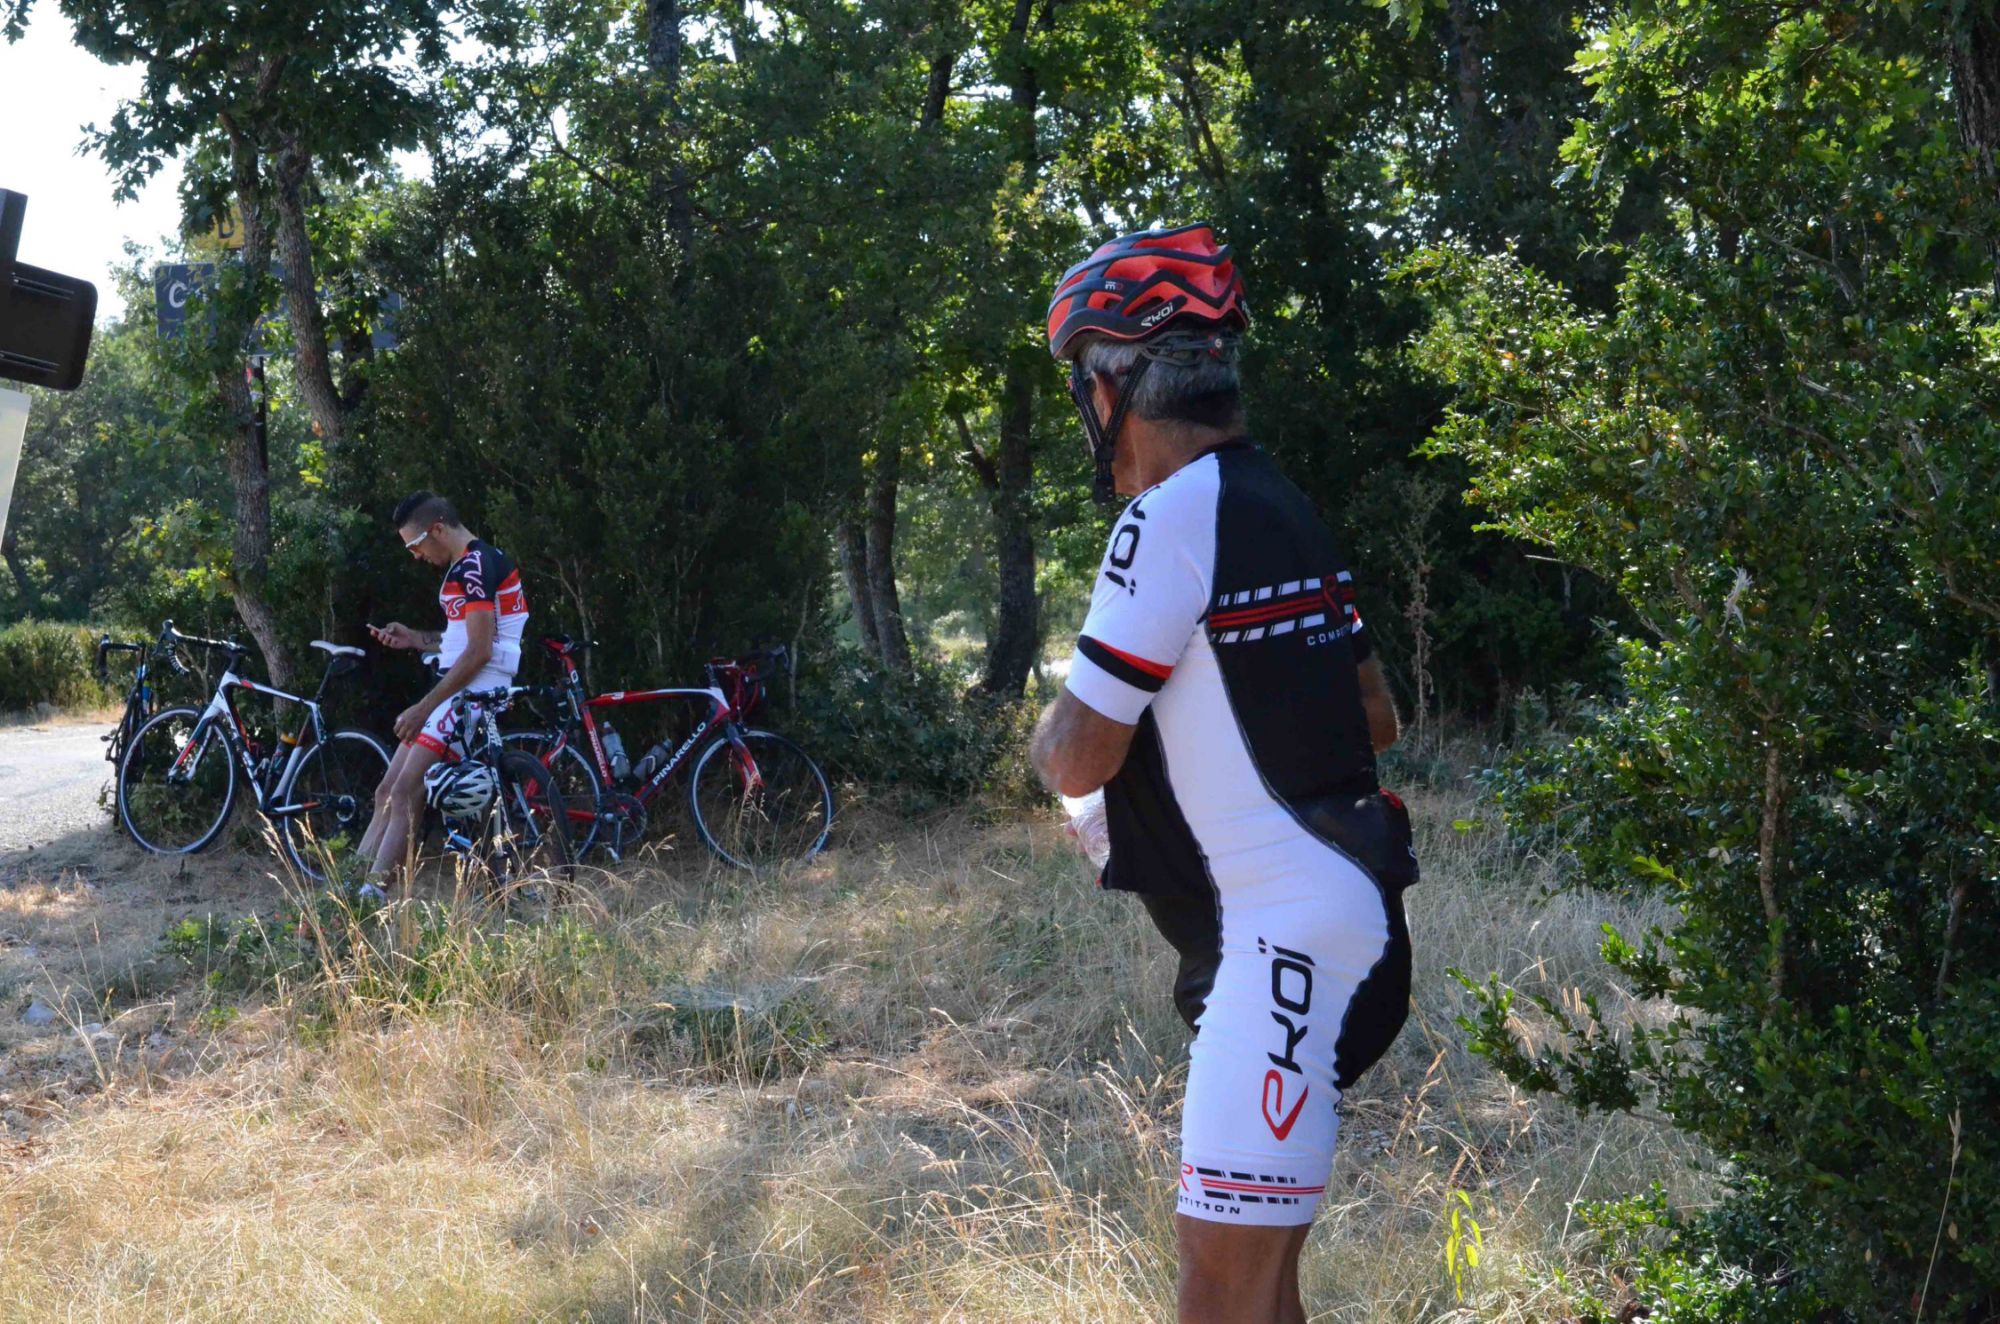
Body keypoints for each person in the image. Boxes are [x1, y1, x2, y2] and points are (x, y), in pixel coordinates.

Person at [1029, 224, 1414, 1324]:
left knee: (1218, 1294)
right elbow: (1378, 716)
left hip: (1278, 944)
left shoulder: (1166, 516)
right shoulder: (1280, 502)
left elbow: (1077, 752)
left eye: (1080, 386)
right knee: (1261, 1291)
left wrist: (1055, 743)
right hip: (1345, 911)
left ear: (1109, 389)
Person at [353, 491, 530, 895]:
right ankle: (346, 889)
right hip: (458, 685)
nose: (415, 556)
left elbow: (480, 651)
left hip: (472, 689)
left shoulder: (474, 565)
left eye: (414, 546)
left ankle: (368, 899)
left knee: (405, 791)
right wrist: (416, 639)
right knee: (386, 791)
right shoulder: (467, 564)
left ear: (436, 529)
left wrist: (423, 707)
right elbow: (460, 639)